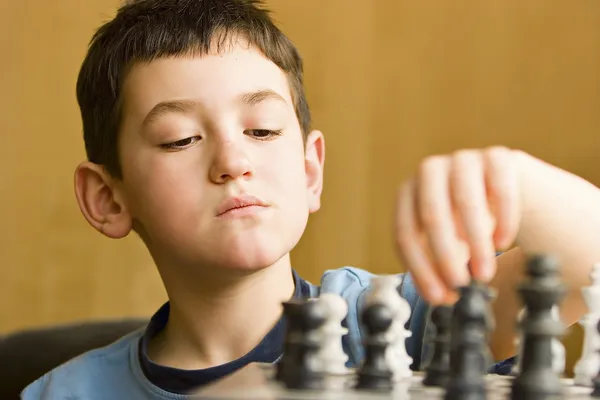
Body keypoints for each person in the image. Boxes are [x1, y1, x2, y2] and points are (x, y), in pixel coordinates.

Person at [21, 0, 600, 398]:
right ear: (108, 198)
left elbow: (588, 265)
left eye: (263, 130)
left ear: (309, 169)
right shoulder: (61, 392)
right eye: (181, 139)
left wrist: (516, 183)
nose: (232, 161)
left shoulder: (405, 320)